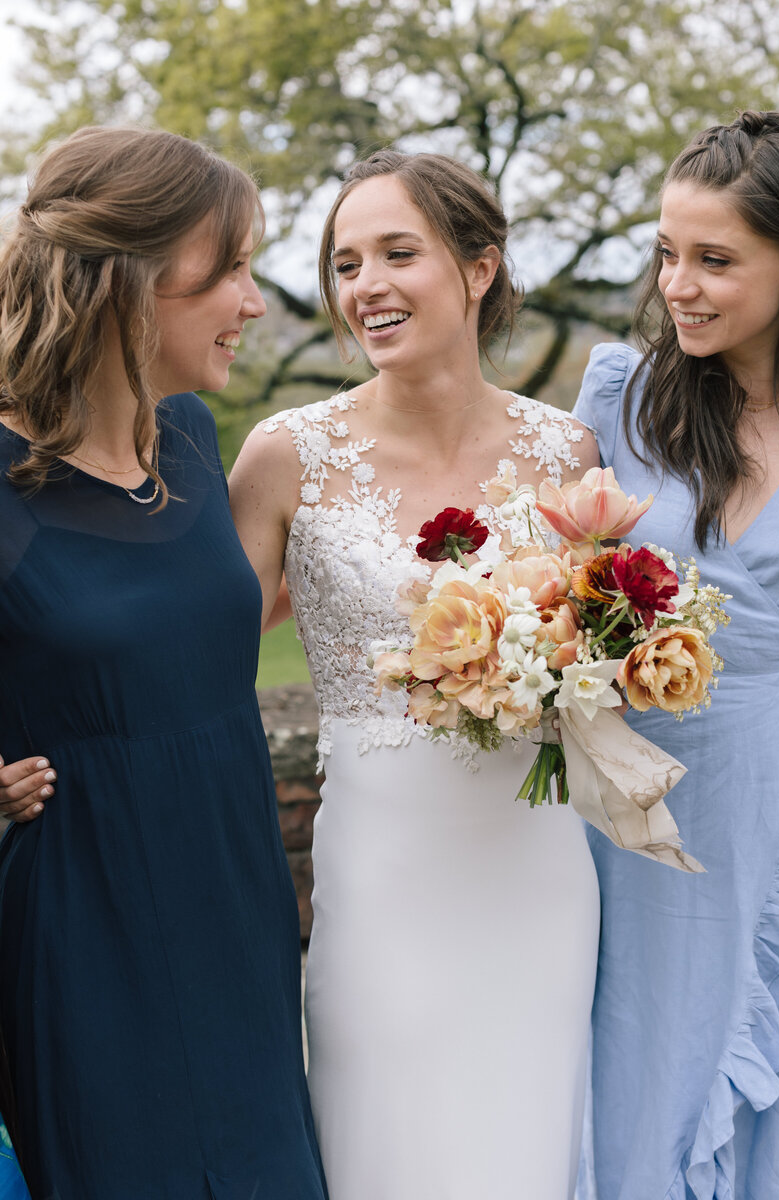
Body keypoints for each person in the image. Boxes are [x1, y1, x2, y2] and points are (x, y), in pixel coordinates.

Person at [227, 150, 601, 1198]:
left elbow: (594, 651)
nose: (365, 287)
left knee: (526, 1138)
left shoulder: (566, 450)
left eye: (398, 253)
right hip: (381, 874)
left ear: (478, 269)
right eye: (345, 264)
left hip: (534, 868)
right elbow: (191, 652)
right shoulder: (283, 455)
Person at [0, 126, 327, 1199]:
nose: (253, 301)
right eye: (228, 271)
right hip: (88, 928)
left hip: (237, 902)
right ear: (129, 285)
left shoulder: (189, 437)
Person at [572, 110, 779, 1199]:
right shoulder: (624, 396)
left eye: (715, 259)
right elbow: (554, 572)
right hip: (636, 803)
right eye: (667, 253)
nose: (679, 285)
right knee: (635, 1050)